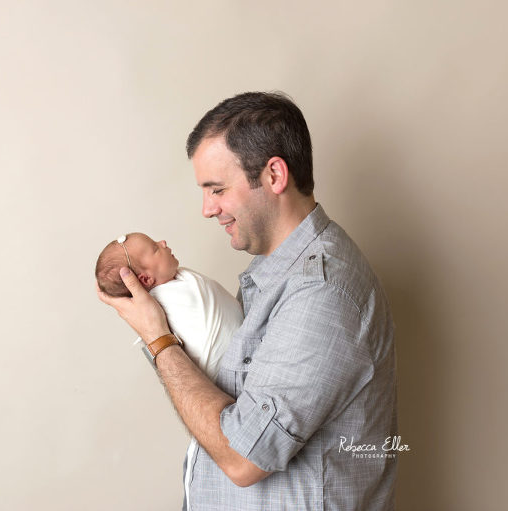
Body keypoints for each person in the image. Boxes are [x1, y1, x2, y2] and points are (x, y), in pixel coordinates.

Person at [98, 92, 398, 510]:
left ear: (274, 175)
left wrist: (158, 338)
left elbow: (243, 457)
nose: (207, 209)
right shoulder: (274, 274)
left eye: (217, 189)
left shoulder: (322, 291)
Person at [95, 232, 244, 509]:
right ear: (145, 280)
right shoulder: (164, 304)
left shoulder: (178, 280)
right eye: (155, 248)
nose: (163, 243)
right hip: (223, 393)